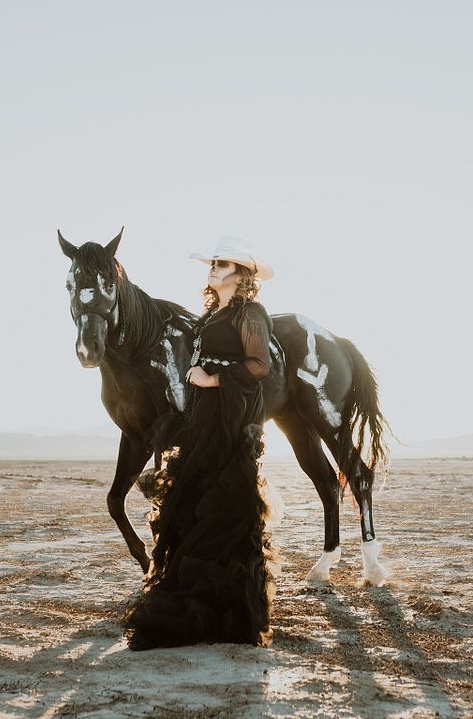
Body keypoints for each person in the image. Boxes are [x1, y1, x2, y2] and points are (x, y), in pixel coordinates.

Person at [122, 236, 278, 650]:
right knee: (193, 500)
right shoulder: (214, 312)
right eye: (212, 262)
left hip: (229, 420)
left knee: (224, 504)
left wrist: (214, 378)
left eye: (222, 263)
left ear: (241, 275)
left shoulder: (250, 313)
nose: (213, 268)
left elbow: (260, 365)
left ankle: (226, 609)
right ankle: (192, 593)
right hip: (203, 417)